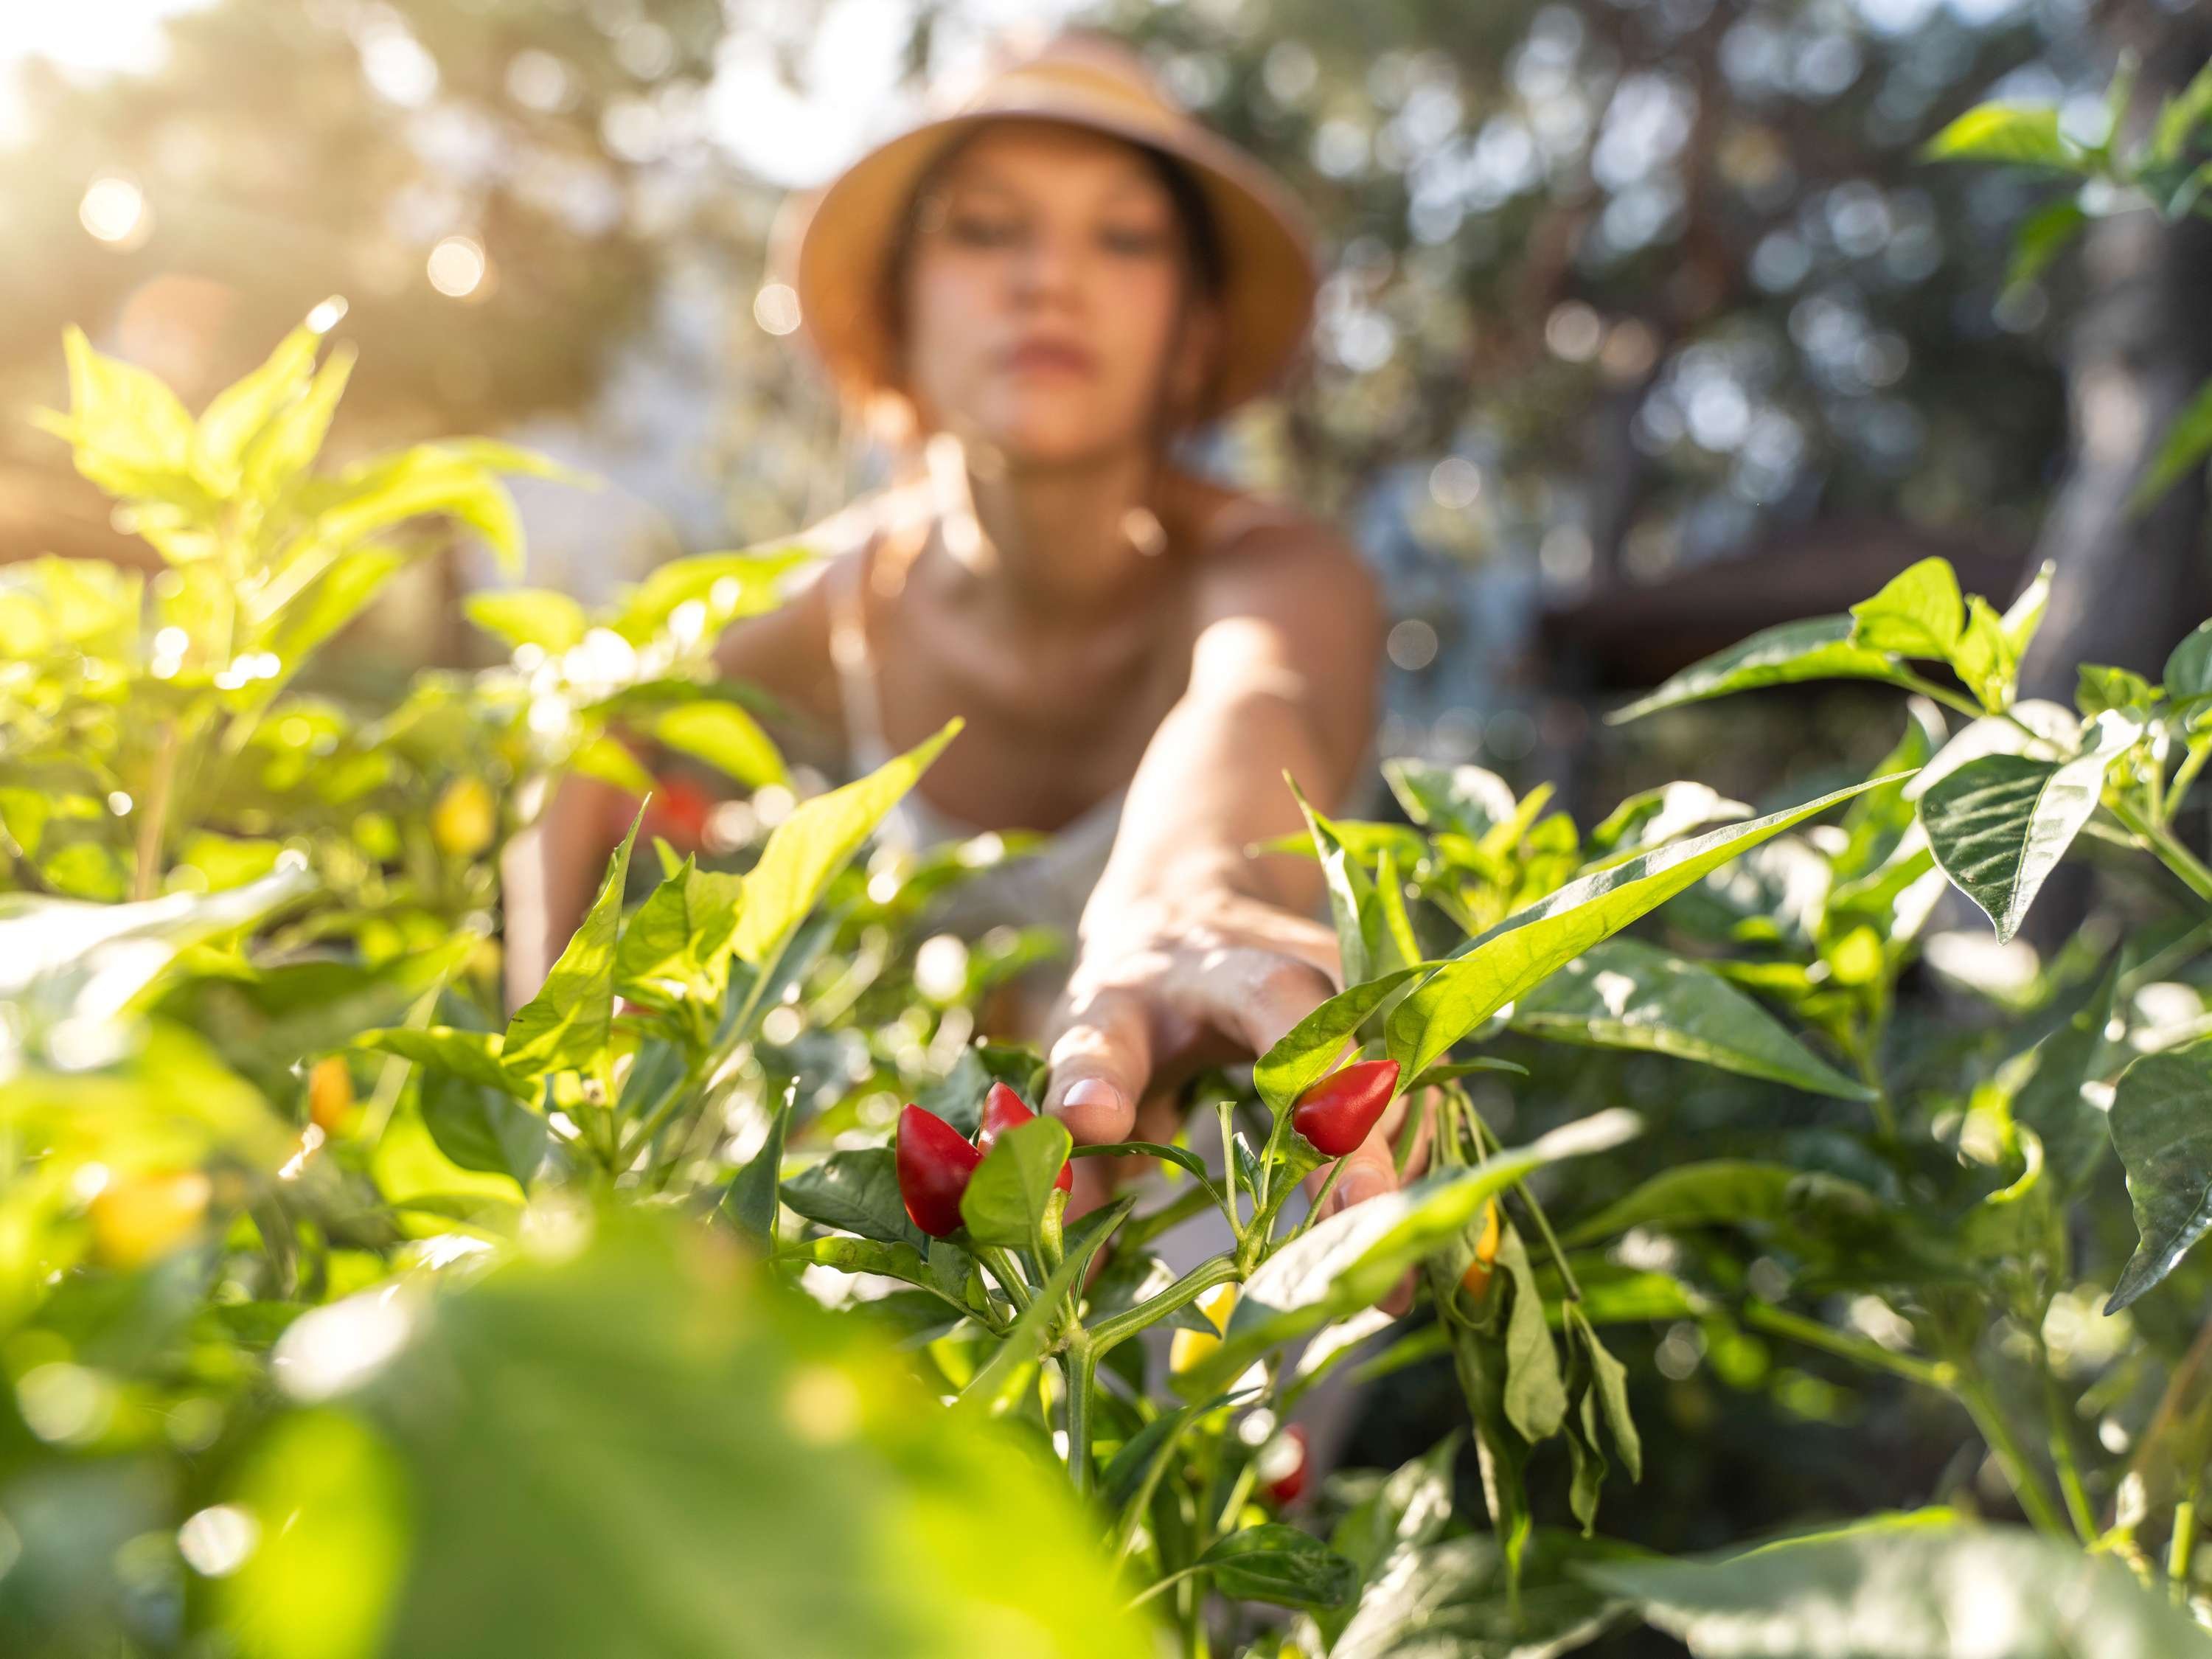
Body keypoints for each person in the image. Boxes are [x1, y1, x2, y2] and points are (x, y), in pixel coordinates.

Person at [507, 30, 1411, 1227]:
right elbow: (594, 727)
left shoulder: (1279, 567)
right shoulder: (834, 601)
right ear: (900, 307)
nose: (1050, 278)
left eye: (1125, 238)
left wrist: (1180, 899)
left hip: (1230, 1244)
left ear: (1193, 330)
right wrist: (558, 1112)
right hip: (943, 1262)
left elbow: (1256, 700)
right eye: (986, 229)